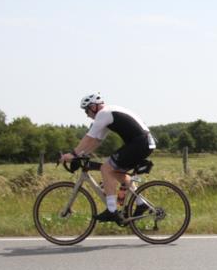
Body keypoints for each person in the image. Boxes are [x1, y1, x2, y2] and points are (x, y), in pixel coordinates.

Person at [60, 93, 156, 224]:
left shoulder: (103, 114)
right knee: (117, 173)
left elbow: (88, 137)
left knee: (106, 169)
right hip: (144, 143)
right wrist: (82, 154)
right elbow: (96, 140)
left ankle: (112, 210)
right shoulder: (108, 114)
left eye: (86, 110)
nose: (87, 115)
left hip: (140, 143)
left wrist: (73, 154)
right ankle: (141, 203)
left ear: (93, 107)